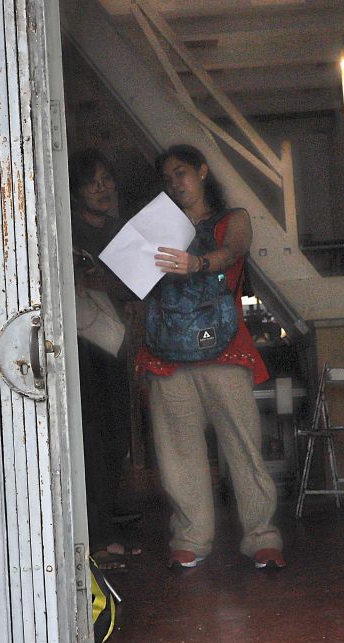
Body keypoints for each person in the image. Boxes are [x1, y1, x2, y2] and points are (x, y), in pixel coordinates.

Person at [137, 144, 285, 570]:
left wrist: (196, 263)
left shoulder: (231, 219)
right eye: (167, 178)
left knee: (243, 445)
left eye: (180, 172)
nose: (174, 183)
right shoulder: (155, 230)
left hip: (224, 349)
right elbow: (136, 290)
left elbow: (233, 251)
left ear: (203, 172)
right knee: (177, 451)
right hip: (166, 353)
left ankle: (262, 535)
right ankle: (191, 537)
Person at [68, 149, 142, 562]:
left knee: (116, 437)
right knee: (91, 437)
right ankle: (98, 532)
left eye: (107, 179)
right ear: (76, 189)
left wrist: (107, 281)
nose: (102, 188)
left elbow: (134, 287)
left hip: (115, 343)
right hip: (80, 344)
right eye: (92, 181)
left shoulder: (122, 232)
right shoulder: (64, 231)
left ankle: (106, 519)